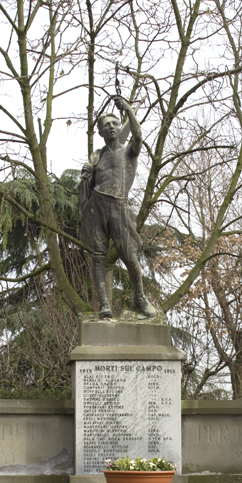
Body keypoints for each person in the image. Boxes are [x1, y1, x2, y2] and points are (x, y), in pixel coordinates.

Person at [79, 95, 156, 319]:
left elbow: (138, 136)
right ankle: (104, 304)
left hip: (119, 207)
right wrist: (85, 174)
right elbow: (88, 181)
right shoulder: (97, 156)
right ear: (101, 133)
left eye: (114, 124)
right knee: (97, 256)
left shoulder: (129, 150)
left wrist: (129, 111)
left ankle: (139, 297)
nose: (111, 127)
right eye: (106, 126)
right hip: (97, 205)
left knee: (130, 257)